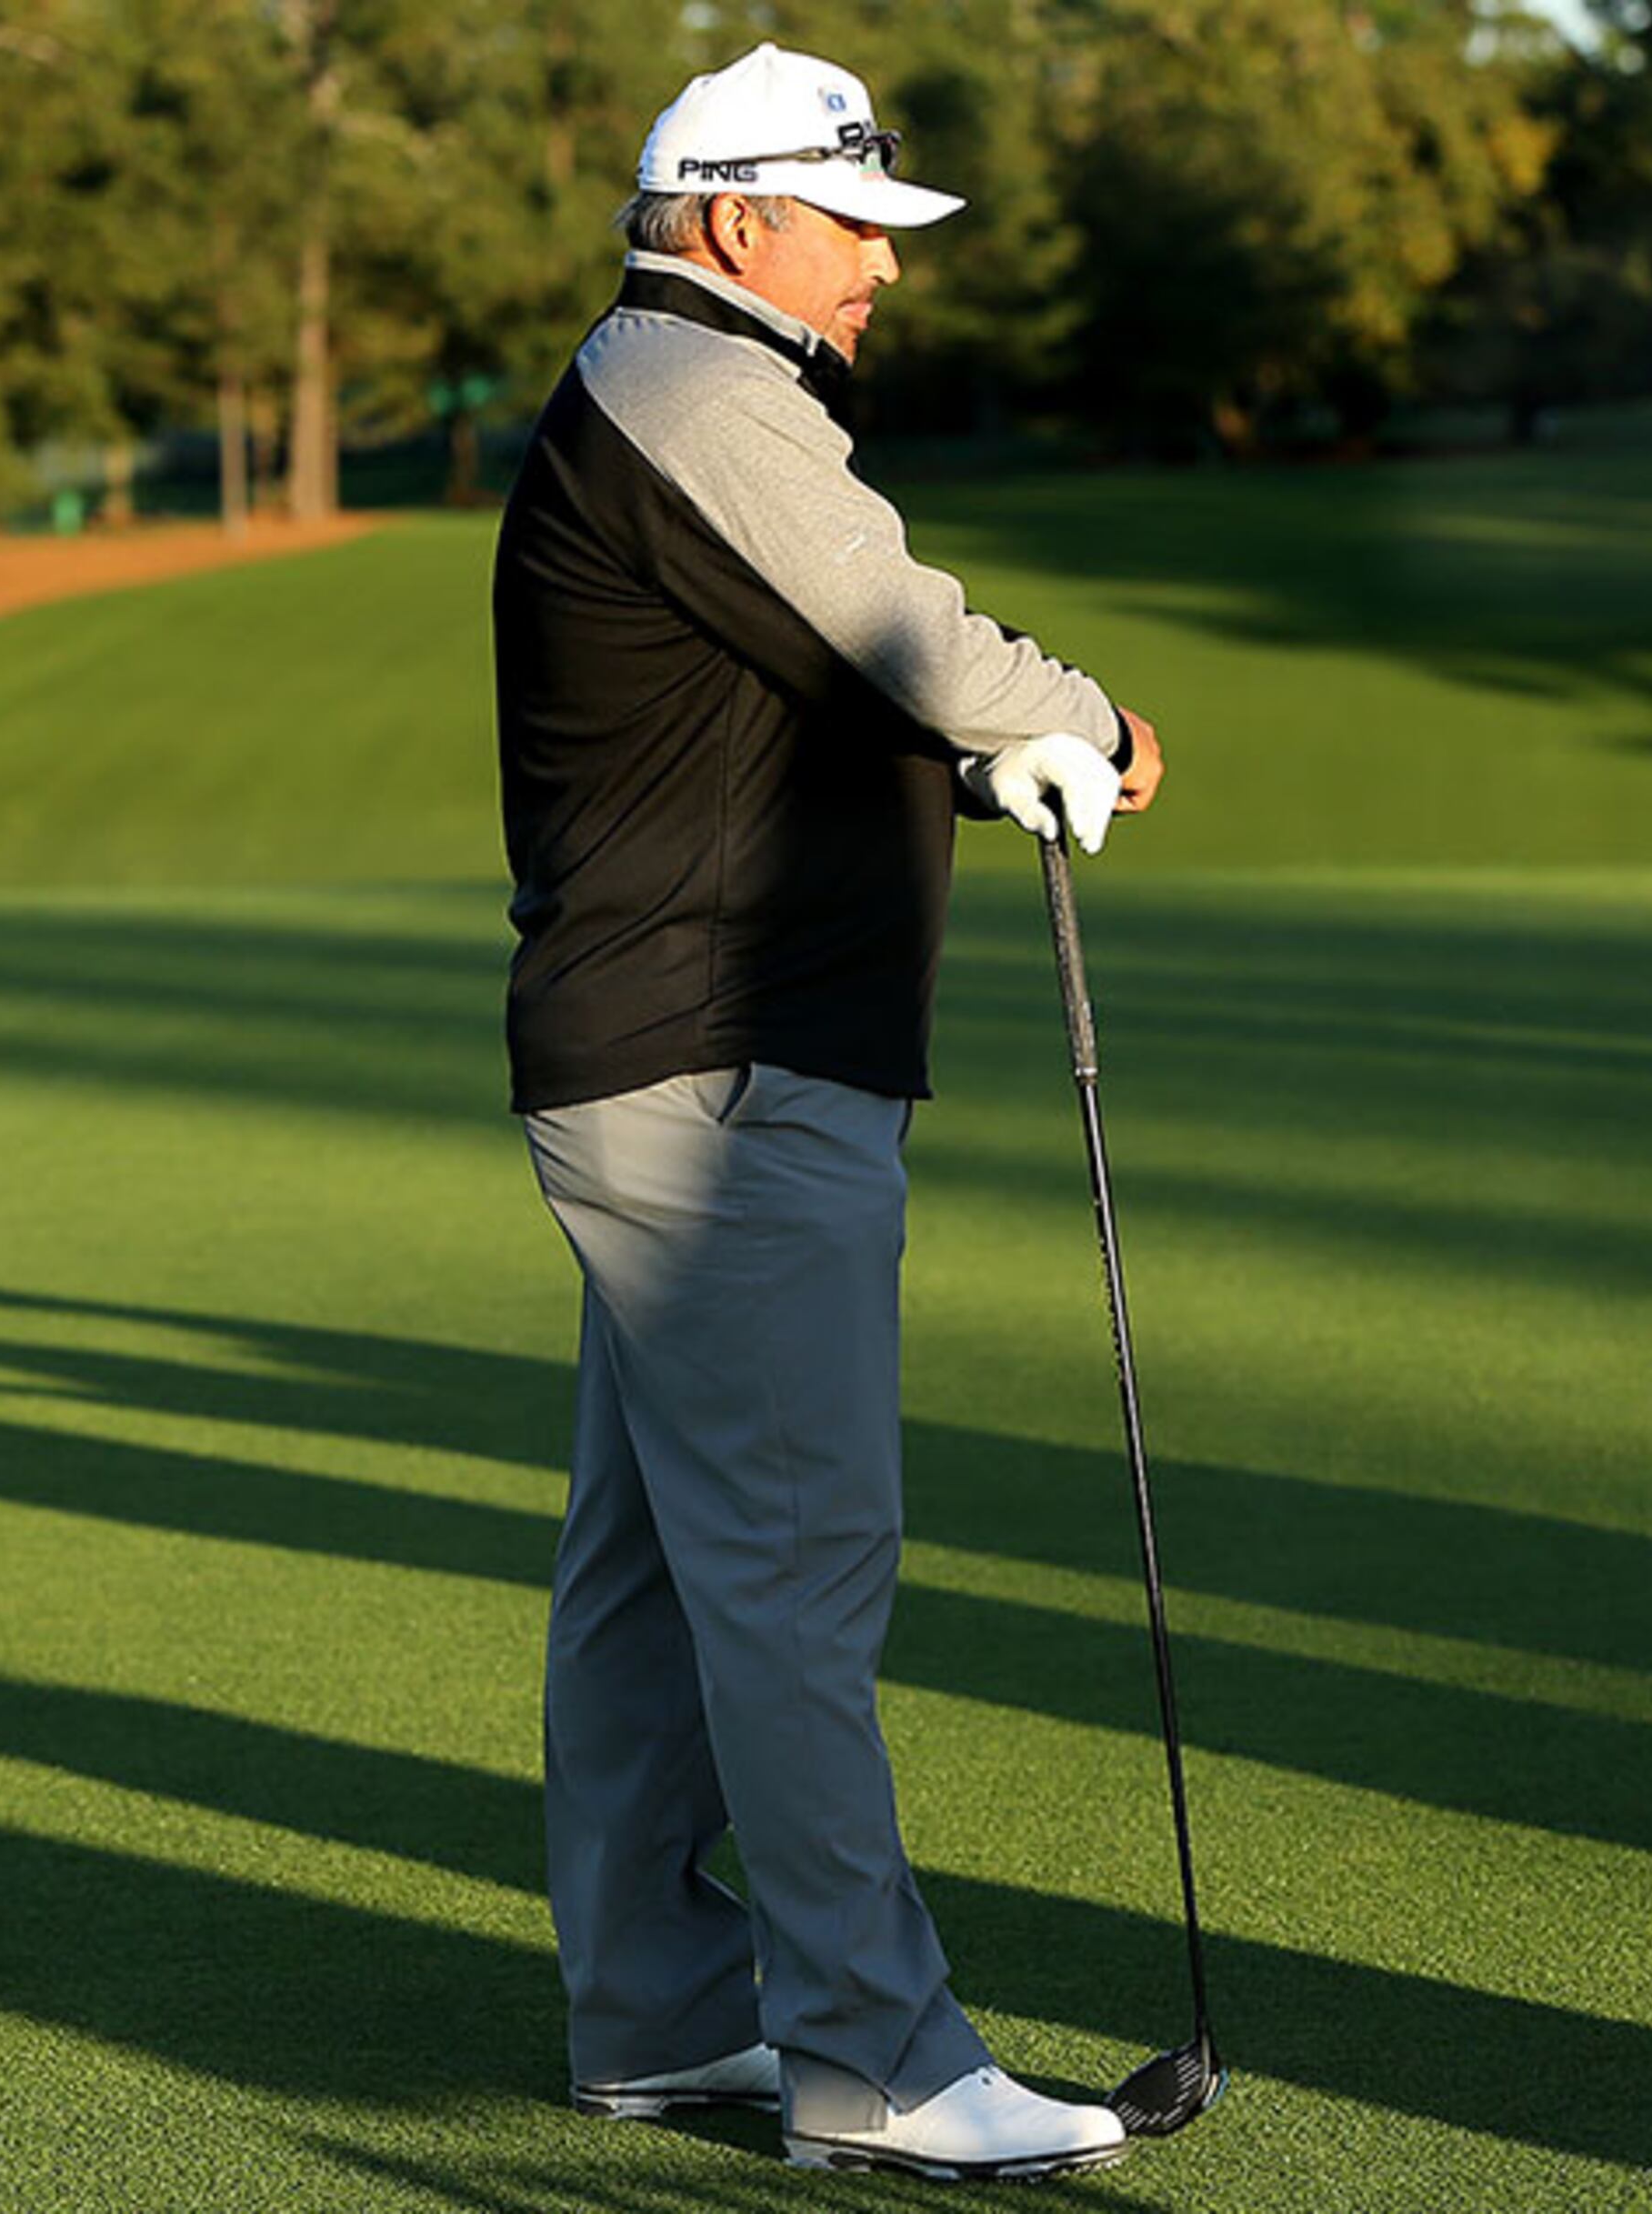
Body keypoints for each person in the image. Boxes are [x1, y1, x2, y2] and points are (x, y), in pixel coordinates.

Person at [491, 39, 1166, 2186]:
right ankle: (873, 2055)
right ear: (726, 221)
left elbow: (798, 709)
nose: (881, 268)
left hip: (679, 1048)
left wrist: (963, 767)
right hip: (727, 1068)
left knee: (657, 1572)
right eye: (851, 226)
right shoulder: (707, 396)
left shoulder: (673, 387)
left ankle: (656, 2015)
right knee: (788, 1560)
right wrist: (1085, 727)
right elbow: (912, 637)